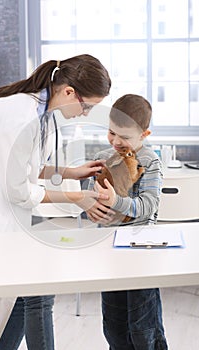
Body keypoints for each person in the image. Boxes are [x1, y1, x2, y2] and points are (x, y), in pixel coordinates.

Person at [0, 54, 111, 350]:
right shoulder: (18, 115)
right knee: (24, 300)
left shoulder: (41, 113)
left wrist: (71, 172)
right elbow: (17, 188)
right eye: (87, 107)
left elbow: (28, 166)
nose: (85, 114)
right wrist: (77, 197)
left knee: (32, 296)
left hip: (9, 224)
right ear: (69, 92)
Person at [86, 94, 168, 349]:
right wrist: (92, 208)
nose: (116, 141)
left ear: (144, 134)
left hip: (141, 252)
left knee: (144, 325)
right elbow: (92, 196)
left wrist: (116, 202)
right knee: (114, 324)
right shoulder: (105, 157)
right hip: (109, 250)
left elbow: (149, 206)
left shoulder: (150, 162)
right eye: (111, 132)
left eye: (125, 137)